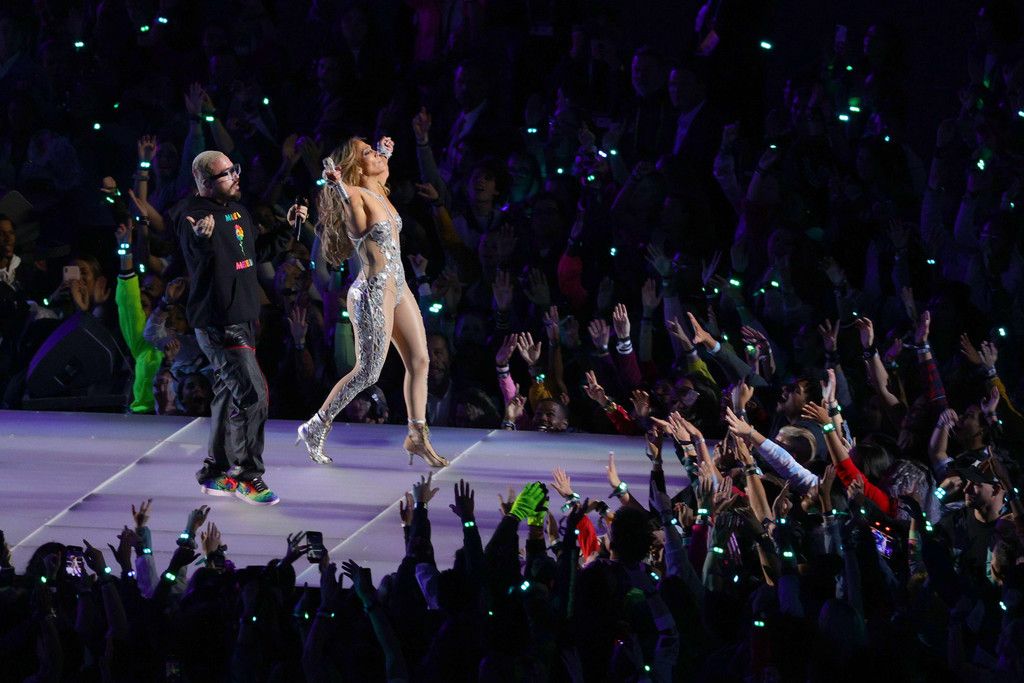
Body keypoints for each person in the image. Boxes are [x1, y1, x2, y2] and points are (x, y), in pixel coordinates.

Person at [296, 136, 449, 468]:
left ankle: (417, 435)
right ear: (356, 167)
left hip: (399, 286)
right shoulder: (354, 195)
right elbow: (354, 219)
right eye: (368, 153)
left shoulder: (377, 186)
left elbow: (383, 168)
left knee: (420, 360)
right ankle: (316, 425)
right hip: (372, 292)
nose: (377, 155)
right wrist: (338, 186)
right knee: (368, 372)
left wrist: (386, 153)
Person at [179, 150, 289, 506]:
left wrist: (288, 228)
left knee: (228, 394)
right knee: (253, 394)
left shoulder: (238, 210)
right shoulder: (194, 216)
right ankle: (246, 475)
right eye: (226, 173)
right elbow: (196, 255)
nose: (236, 176)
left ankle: (216, 471)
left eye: (234, 169)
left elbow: (254, 253)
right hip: (219, 323)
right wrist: (201, 239)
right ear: (204, 182)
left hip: (243, 318)